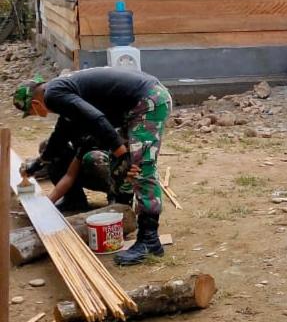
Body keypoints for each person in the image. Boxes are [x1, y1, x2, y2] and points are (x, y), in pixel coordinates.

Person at [14, 67, 173, 265]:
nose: (37, 115)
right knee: (119, 167)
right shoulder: (61, 92)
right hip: (134, 106)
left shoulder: (54, 95)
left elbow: (95, 118)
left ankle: (150, 241)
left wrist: (122, 153)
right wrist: (37, 165)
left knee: (139, 169)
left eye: (31, 112)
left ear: (35, 104)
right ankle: (121, 218)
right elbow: (59, 136)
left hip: (147, 102)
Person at [22, 129, 117, 213]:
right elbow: (70, 174)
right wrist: (35, 166)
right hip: (83, 159)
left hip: (110, 170)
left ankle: (115, 195)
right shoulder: (68, 119)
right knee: (49, 147)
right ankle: (74, 199)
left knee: (94, 159)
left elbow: (70, 174)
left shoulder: (94, 126)